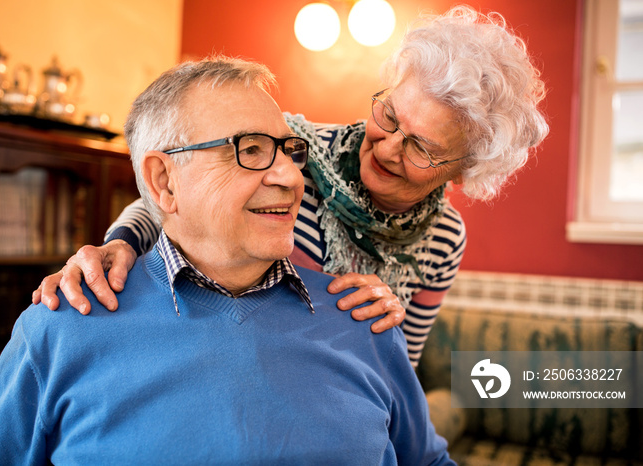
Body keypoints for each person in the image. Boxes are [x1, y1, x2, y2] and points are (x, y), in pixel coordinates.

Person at [0, 57, 453, 465]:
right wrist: (121, 242)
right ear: (164, 182)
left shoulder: (367, 321)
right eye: (251, 150)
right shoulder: (59, 330)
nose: (290, 176)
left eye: (290, 151)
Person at [33, 5, 549, 366]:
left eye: (421, 147)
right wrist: (117, 246)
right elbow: (175, 200)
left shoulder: (444, 239)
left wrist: (385, 332)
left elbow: (400, 372)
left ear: (463, 169)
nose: (388, 146)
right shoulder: (290, 151)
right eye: (389, 115)